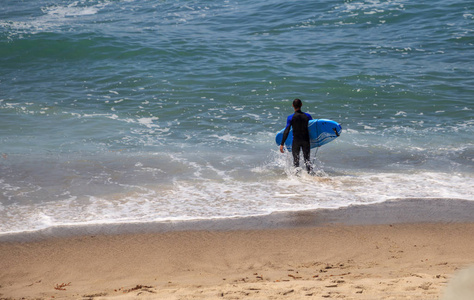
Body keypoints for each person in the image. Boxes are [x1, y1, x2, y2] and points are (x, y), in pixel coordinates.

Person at [279, 99, 313, 173]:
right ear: (301, 105)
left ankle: (296, 180)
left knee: (296, 161)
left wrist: (282, 144)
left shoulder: (290, 117)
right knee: (307, 160)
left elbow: (286, 131)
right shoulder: (308, 116)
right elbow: (312, 129)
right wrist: (317, 140)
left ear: (292, 106)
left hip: (296, 141)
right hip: (305, 140)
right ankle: (311, 177)